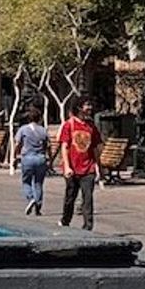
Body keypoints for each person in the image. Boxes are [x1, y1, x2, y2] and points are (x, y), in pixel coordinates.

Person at [57, 98, 100, 230]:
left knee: (88, 197)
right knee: (70, 197)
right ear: (79, 107)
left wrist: (98, 166)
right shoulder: (69, 125)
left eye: (90, 104)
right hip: (73, 168)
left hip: (88, 168)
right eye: (87, 105)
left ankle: (88, 226)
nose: (89, 107)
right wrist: (67, 166)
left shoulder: (91, 126)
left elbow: (95, 148)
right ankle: (66, 220)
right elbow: (64, 146)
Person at [12, 104, 52, 216]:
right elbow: (48, 146)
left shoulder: (23, 129)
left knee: (26, 181)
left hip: (27, 158)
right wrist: (50, 160)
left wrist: (14, 157)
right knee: (38, 183)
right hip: (40, 158)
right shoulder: (43, 130)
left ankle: (30, 198)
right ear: (39, 118)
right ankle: (38, 207)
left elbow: (17, 144)